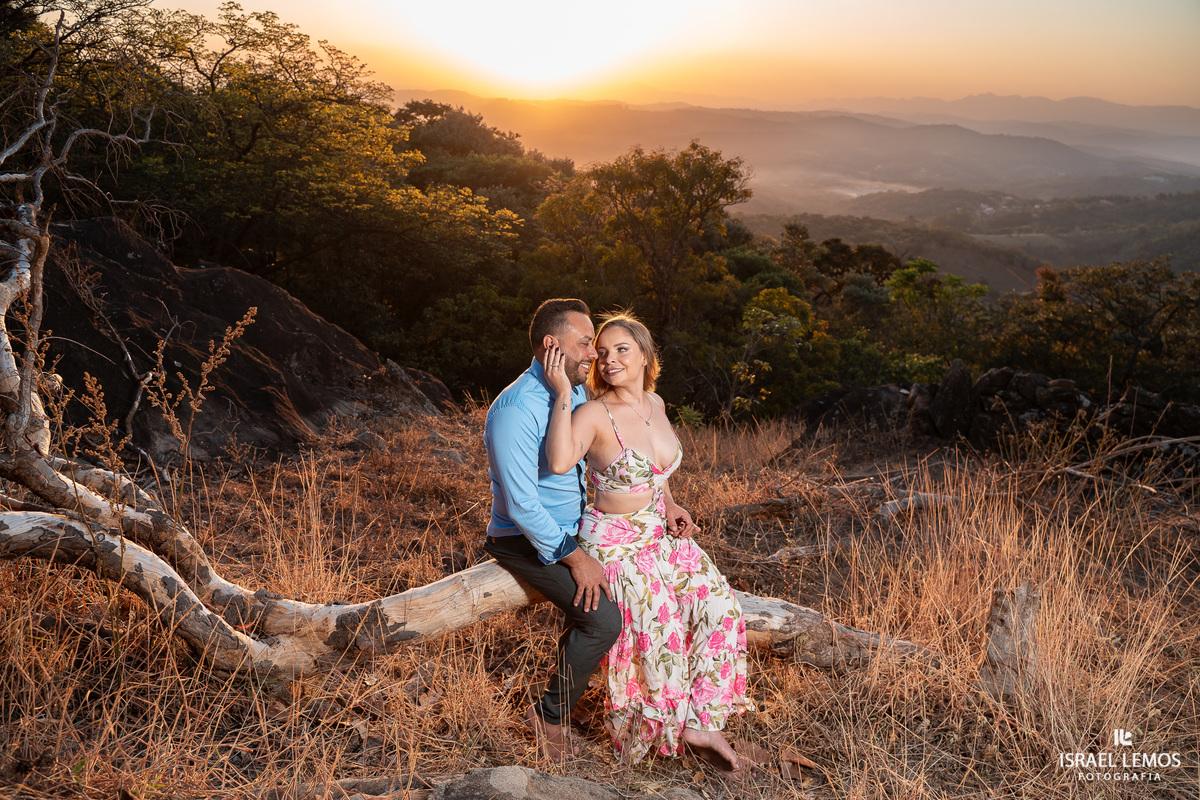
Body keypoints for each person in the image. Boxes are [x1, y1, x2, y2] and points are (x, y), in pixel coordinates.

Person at [542, 312, 753, 777]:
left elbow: (657, 475)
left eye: (623, 350)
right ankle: (654, 739)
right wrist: (562, 393)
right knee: (664, 632)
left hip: (660, 532)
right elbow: (558, 462)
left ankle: (702, 724)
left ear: (644, 356)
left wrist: (673, 505)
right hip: (615, 545)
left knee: (721, 607)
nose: (610, 359)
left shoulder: (655, 403)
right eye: (604, 350)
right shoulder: (593, 412)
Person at [483, 298, 623, 763]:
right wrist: (577, 558)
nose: (595, 355)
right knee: (604, 619)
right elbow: (522, 505)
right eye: (586, 343)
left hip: (575, 527)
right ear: (552, 344)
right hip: (523, 540)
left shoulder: (573, 390)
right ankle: (548, 717)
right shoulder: (515, 409)